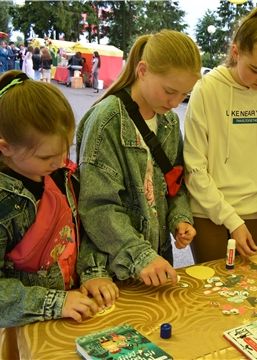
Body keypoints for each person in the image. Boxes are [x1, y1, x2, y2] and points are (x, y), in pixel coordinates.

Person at [0, 71, 119, 329]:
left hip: (73, 306)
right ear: (5, 148)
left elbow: (85, 229)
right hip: (31, 323)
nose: (59, 162)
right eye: (47, 157)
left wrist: (93, 273)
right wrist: (56, 303)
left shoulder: (61, 173)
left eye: (65, 150)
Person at [76, 30, 201, 286]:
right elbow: (97, 206)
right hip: (114, 269)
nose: (176, 102)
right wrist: (141, 255)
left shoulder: (168, 121)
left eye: (184, 95)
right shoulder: (106, 120)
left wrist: (180, 219)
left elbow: (175, 182)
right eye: (169, 91)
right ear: (142, 70)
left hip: (157, 259)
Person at [184, 3, 257, 263]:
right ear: (236, 52)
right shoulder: (207, 89)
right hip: (208, 209)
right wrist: (232, 219)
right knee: (212, 286)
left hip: (255, 212)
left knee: (241, 288)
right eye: (255, 69)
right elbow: (194, 167)